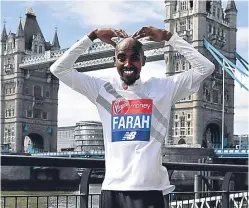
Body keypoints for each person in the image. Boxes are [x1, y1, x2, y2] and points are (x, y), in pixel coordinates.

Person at [50, 26, 215, 208]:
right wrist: (92, 36)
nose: (128, 63)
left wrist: (169, 37)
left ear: (143, 61)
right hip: (112, 190)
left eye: (134, 57)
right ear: (115, 61)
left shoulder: (163, 88)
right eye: (122, 57)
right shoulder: (102, 88)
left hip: (149, 191)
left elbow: (206, 67)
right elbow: (59, 69)